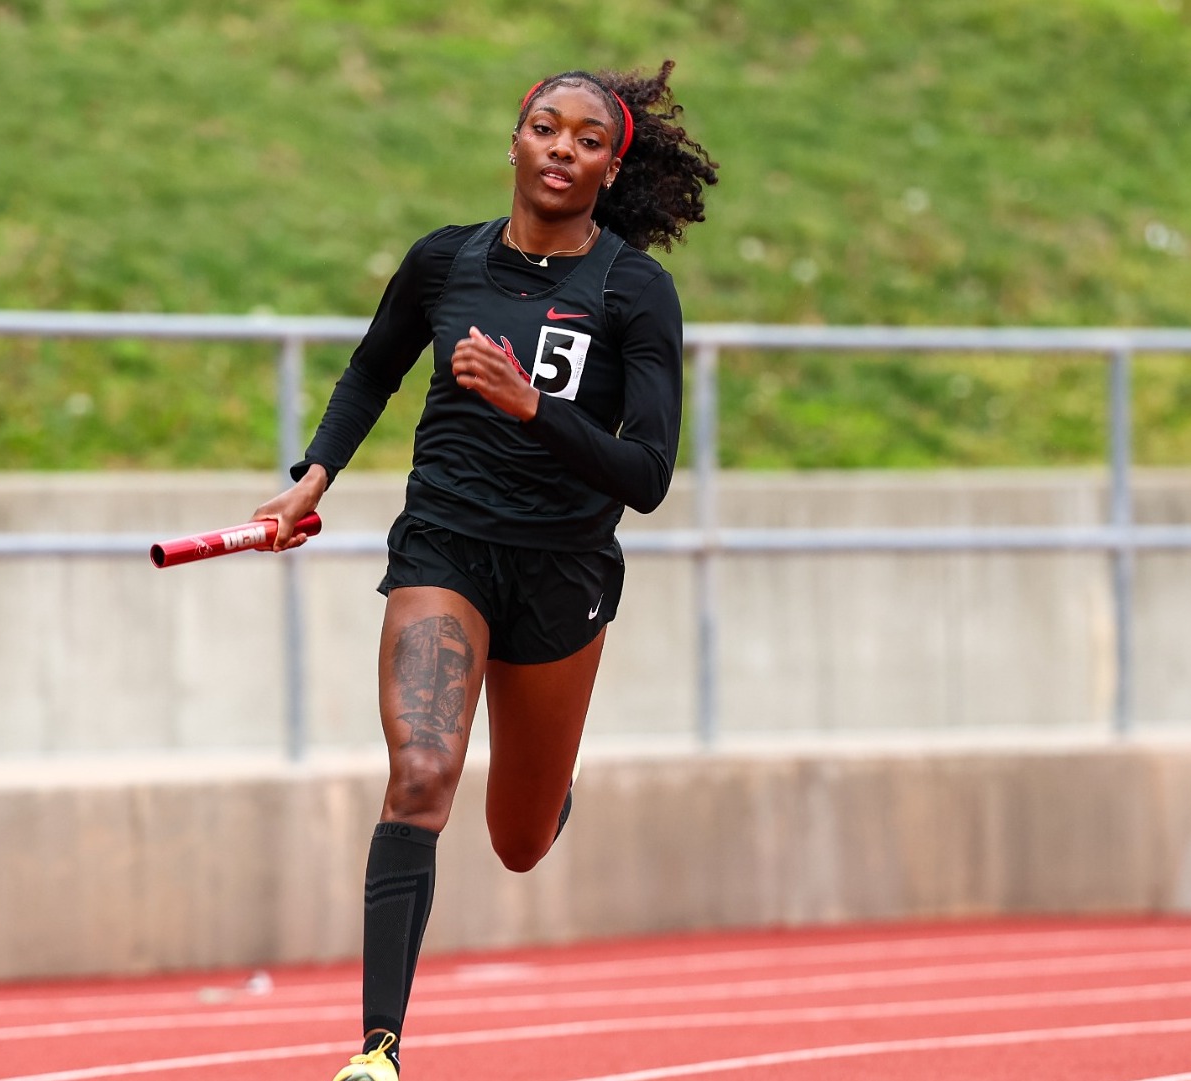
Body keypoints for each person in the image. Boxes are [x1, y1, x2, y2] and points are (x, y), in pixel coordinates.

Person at [249, 60, 718, 1081]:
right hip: (445, 549)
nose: (563, 147)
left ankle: (548, 791)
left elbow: (646, 474)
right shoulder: (443, 263)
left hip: (562, 573)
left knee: (516, 838)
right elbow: (374, 367)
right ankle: (377, 1052)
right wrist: (310, 480)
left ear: (610, 168)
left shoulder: (633, 290)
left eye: (588, 139)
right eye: (546, 127)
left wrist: (528, 406)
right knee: (421, 776)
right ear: (514, 140)